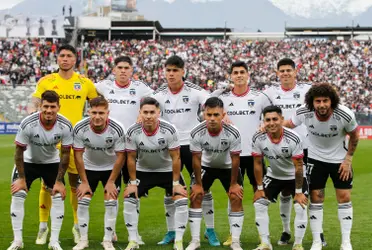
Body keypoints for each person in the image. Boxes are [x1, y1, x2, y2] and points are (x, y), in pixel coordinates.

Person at [29, 44, 98, 245]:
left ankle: (77, 226)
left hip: (75, 142)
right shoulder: (47, 81)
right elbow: (35, 100)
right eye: (62, 56)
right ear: (57, 59)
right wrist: (32, 110)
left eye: (69, 56)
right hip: (50, 141)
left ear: (75, 59)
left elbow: (98, 104)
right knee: (47, 184)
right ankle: (43, 227)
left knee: (75, 185)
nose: (65, 59)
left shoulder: (84, 83)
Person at [152, 55, 220, 246]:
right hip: (169, 147)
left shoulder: (194, 91)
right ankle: (171, 231)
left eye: (175, 70)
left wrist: (222, 117)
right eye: (168, 70)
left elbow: (212, 102)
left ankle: (210, 230)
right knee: (169, 190)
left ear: (183, 72)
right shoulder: (159, 95)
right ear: (164, 72)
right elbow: (147, 109)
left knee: (203, 188)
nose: (171, 74)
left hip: (192, 146)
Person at [286, 83, 359, 250]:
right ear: (312, 102)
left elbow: (354, 135)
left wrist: (348, 160)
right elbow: (288, 124)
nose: (322, 105)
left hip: (340, 161)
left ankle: (346, 242)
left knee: (344, 198)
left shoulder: (344, 114)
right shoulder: (304, 112)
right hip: (315, 160)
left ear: (332, 101)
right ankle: (317, 242)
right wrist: (267, 126)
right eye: (317, 101)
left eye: (325, 100)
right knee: (316, 199)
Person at [263, 58, 323, 246]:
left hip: (306, 147)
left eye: (289, 70)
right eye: (282, 70)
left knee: (311, 191)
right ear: (277, 72)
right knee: (285, 191)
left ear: (295, 71)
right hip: (278, 147)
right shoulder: (269, 92)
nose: (285, 73)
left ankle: (318, 232)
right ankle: (286, 231)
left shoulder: (308, 90)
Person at [95, 56, 153, 244]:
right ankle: (110, 232)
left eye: (126, 68)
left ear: (131, 70)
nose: (123, 71)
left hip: (133, 148)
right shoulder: (103, 86)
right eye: (119, 67)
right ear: (113, 69)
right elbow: (88, 95)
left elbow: (154, 100)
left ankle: (133, 234)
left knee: (132, 191)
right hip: (110, 148)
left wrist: (140, 113)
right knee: (111, 191)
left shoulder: (141, 88)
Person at [8, 90, 73, 250]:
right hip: (27, 162)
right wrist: (21, 178)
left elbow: (65, 154)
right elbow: (18, 152)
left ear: (58, 107)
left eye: (52, 106)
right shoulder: (28, 123)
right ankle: (17, 241)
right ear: (40, 106)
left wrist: (59, 181)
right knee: (18, 194)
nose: (49, 110)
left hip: (51, 163)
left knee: (58, 195)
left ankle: (54, 241)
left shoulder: (65, 125)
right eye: (45, 106)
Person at [123, 97, 188, 250]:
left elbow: (176, 157)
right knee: (128, 198)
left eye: (152, 112)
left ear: (158, 112)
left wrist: (176, 184)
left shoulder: (169, 129)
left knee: (181, 199)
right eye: (145, 112)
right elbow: (131, 158)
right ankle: (133, 241)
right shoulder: (133, 131)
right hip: (143, 171)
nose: (149, 115)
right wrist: (132, 183)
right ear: (140, 113)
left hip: (167, 170)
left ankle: (178, 241)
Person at [218, 61, 271, 246]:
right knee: (233, 195)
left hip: (256, 154)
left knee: (260, 193)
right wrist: (220, 116)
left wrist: (266, 124)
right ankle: (234, 234)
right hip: (233, 155)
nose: (239, 75)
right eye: (235, 72)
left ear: (248, 75)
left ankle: (262, 235)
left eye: (242, 72)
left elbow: (273, 115)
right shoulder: (223, 99)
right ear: (231, 76)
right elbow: (208, 114)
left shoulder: (260, 97)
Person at [186, 97, 244, 250]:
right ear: (203, 114)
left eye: (216, 115)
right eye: (209, 114)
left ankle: (236, 241)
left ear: (223, 114)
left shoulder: (233, 132)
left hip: (228, 167)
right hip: (207, 165)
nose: (212, 119)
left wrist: (234, 184)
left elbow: (235, 159)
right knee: (195, 195)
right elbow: (196, 159)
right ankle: (195, 240)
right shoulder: (196, 132)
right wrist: (198, 184)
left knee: (235, 197)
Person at [72, 96, 126, 250]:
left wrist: (111, 181)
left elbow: (121, 156)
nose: (97, 117)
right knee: (82, 201)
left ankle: (107, 239)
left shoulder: (117, 128)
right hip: (88, 169)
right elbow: (77, 155)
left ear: (107, 113)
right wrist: (83, 181)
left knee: (111, 202)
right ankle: (83, 240)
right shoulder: (79, 127)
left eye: (101, 113)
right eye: (94, 112)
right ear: (88, 112)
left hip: (111, 169)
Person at [252, 105, 308, 250]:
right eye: (268, 120)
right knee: (259, 203)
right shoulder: (258, 137)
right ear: (263, 121)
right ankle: (265, 243)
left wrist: (299, 191)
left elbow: (299, 166)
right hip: (274, 175)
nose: (271, 123)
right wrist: (259, 188)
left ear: (282, 119)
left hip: (294, 175)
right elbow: (258, 163)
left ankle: (298, 244)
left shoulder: (293, 138)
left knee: (300, 206)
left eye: (275, 119)